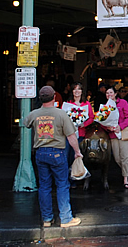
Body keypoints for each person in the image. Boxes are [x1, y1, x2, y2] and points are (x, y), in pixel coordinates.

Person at [24, 85, 82, 228]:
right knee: (62, 185)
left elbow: (25, 123)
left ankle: (47, 219)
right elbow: (71, 136)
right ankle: (66, 218)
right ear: (54, 97)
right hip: (57, 152)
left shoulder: (35, 113)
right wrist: (77, 152)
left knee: (44, 186)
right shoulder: (61, 114)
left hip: (41, 153)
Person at [101, 86, 128, 188]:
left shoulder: (123, 103)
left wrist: (120, 126)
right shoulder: (105, 107)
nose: (109, 95)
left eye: (111, 93)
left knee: (125, 157)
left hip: (124, 133)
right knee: (117, 158)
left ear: (115, 94)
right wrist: (108, 127)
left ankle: (126, 179)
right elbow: (101, 121)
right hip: (113, 134)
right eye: (107, 93)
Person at [62, 82, 93, 181]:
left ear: (82, 91)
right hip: (68, 134)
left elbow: (91, 117)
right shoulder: (68, 103)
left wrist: (84, 124)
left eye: (79, 89)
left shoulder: (86, 104)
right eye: (74, 89)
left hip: (80, 133)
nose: (77, 91)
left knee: (76, 156)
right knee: (67, 156)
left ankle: (75, 177)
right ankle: (66, 178)